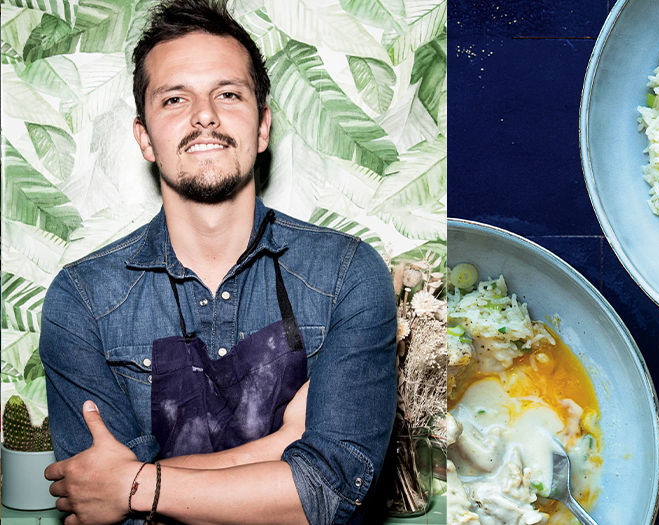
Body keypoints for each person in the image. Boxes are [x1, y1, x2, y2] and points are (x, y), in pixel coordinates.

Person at [37, 1, 397, 523]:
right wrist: (280, 449)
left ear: (262, 127)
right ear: (144, 139)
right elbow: (98, 500)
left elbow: (334, 493)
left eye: (228, 94)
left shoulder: (347, 275)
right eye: (175, 98)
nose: (204, 115)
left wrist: (133, 484)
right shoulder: (82, 301)